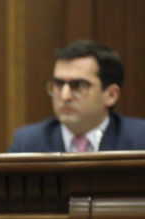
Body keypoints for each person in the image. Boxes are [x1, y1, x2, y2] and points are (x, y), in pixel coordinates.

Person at [8, 40, 145, 153]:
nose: (65, 96)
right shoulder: (27, 143)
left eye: (79, 85)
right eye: (59, 84)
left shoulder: (139, 139)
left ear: (111, 95)